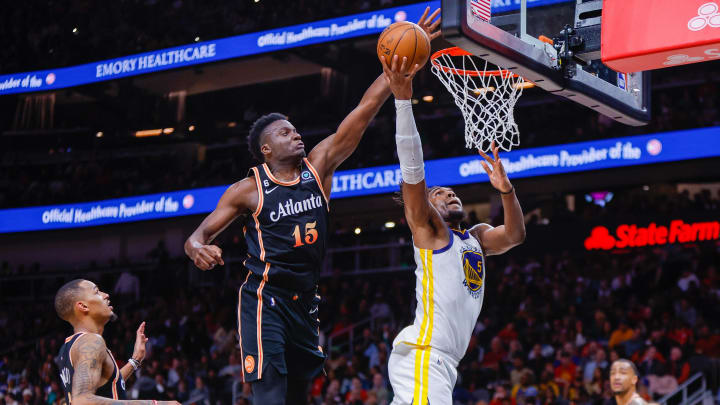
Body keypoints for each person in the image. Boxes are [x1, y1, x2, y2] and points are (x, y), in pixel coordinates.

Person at [183, 9, 442, 405]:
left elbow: (362, 111)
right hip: (264, 298)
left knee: (299, 397)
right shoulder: (247, 190)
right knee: (270, 396)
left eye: (295, 128)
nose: (296, 134)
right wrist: (198, 248)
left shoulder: (318, 166)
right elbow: (196, 237)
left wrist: (395, 68)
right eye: (285, 133)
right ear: (266, 149)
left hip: (306, 300)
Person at [381, 53, 526, 404]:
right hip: (423, 353)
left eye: (452, 192)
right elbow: (413, 172)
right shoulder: (430, 232)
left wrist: (506, 190)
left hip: (442, 361)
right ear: (428, 206)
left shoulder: (474, 237)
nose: (449, 193)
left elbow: (514, 235)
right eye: (439, 194)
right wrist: (403, 101)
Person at [53, 279, 178, 405]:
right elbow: (82, 401)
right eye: (97, 292)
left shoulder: (67, 348)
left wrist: (135, 360)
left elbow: (108, 387)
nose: (106, 295)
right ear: (83, 306)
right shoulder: (91, 342)